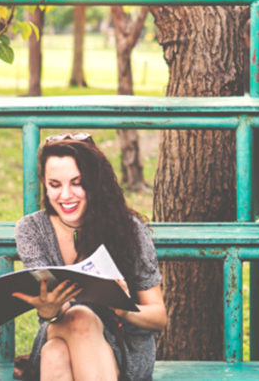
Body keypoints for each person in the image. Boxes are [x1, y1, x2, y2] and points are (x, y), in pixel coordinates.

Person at [13, 134, 165, 381]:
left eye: (77, 182)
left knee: (55, 354)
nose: (65, 195)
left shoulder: (128, 228)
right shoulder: (32, 229)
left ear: (95, 183)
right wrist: (50, 310)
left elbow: (158, 317)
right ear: (44, 183)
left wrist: (123, 310)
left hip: (123, 347)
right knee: (76, 319)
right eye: (54, 184)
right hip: (59, 327)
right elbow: (57, 311)